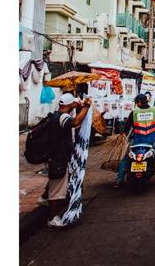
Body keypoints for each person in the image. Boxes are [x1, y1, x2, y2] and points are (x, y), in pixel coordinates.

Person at [45, 93, 91, 228]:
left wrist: (80, 106)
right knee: (57, 190)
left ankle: (45, 198)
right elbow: (75, 122)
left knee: (57, 184)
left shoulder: (55, 115)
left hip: (57, 156)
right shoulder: (63, 117)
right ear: (69, 105)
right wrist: (86, 107)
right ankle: (52, 218)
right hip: (59, 158)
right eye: (72, 105)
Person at [114, 94, 155, 188]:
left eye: (136, 103)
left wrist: (123, 133)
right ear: (146, 101)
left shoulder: (134, 112)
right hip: (151, 142)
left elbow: (127, 127)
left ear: (139, 102)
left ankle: (118, 180)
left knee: (126, 159)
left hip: (136, 141)